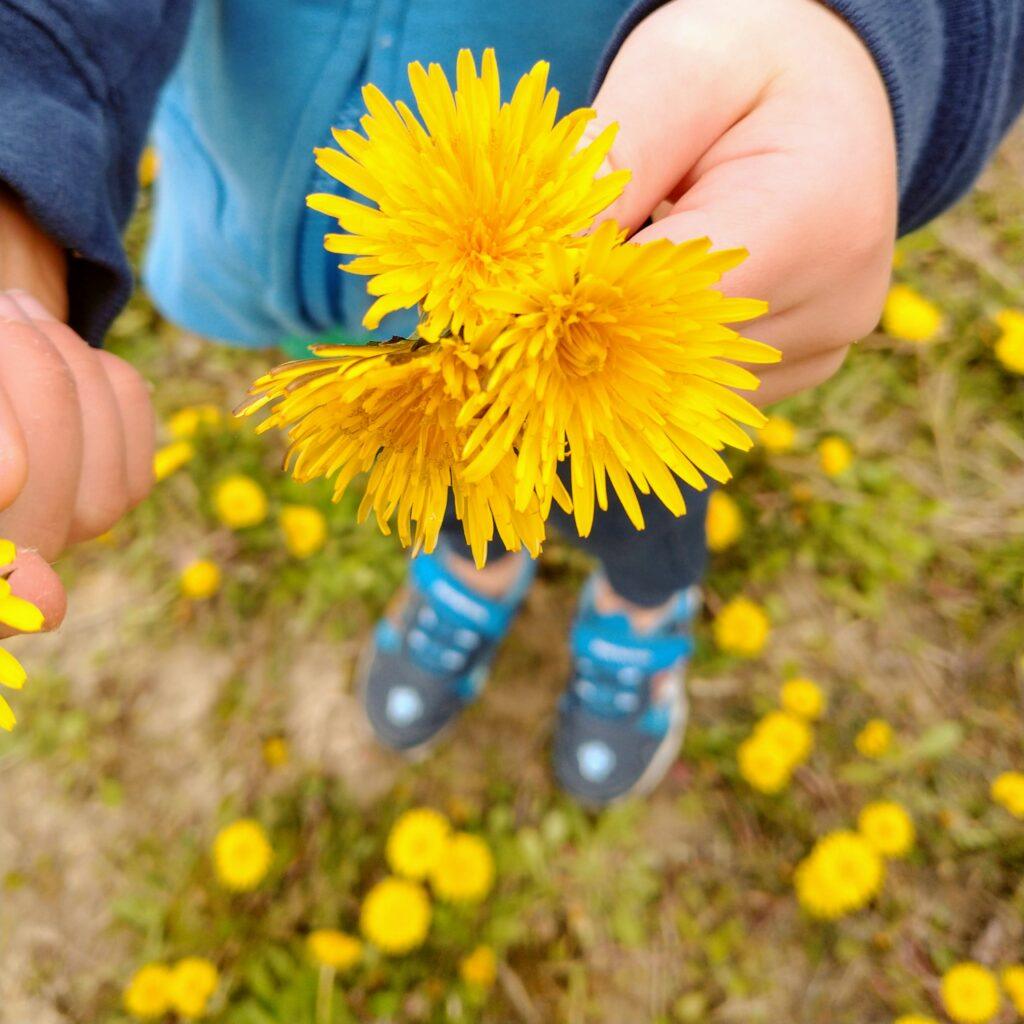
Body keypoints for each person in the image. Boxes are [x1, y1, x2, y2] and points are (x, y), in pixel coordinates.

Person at [0, 0, 1021, 804]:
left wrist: (860, 35)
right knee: (442, 442)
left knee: (639, 477)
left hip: (628, 248)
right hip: (342, 281)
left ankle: (640, 599)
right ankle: (475, 560)